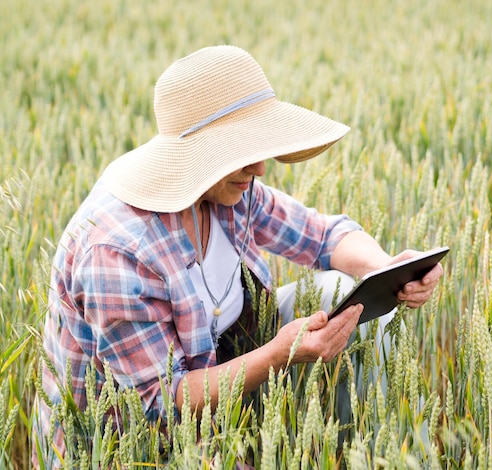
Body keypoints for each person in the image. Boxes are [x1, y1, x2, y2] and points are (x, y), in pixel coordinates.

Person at [35, 45, 442, 464]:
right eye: (244, 153)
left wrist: (387, 268)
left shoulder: (227, 189)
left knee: (344, 291)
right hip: (127, 444)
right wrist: (278, 355)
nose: (261, 168)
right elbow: (161, 404)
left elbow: (322, 236)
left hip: (222, 373)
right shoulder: (118, 255)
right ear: (196, 157)